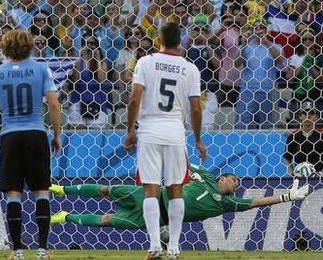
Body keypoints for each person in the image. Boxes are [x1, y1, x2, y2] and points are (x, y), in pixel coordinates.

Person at [124, 22, 207, 259]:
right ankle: (174, 247)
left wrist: (130, 130)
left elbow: (134, 100)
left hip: (149, 130)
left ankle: (153, 247)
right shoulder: (190, 68)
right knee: (176, 189)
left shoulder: (146, 62)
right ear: (180, 40)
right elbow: (196, 108)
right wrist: (198, 139)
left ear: (159, 38)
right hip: (175, 132)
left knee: (150, 189)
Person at [0, 30, 62, 260]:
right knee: (41, 191)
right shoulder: (40, 69)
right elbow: (54, 105)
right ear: (30, 46)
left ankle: (16, 251)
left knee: (13, 194)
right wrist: (57, 135)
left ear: (4, 48)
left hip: (10, 136)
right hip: (36, 133)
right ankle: (43, 251)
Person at [49, 165, 310, 231]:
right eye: (234, 180)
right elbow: (183, 160)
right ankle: (62, 189)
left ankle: (65, 216)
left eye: (238, 184)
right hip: (152, 194)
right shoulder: (207, 176)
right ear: (222, 178)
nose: (236, 185)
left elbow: (256, 203)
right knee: (108, 190)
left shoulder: (230, 203)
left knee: (108, 220)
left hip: (156, 217)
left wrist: (286, 196)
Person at [283, 102, 323, 176]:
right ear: (300, 116)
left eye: (311, 113)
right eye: (304, 113)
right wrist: (292, 174)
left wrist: (321, 174)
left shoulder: (321, 136)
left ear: (316, 116)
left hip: (319, 178)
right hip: (300, 177)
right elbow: (287, 158)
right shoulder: (292, 137)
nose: (308, 116)